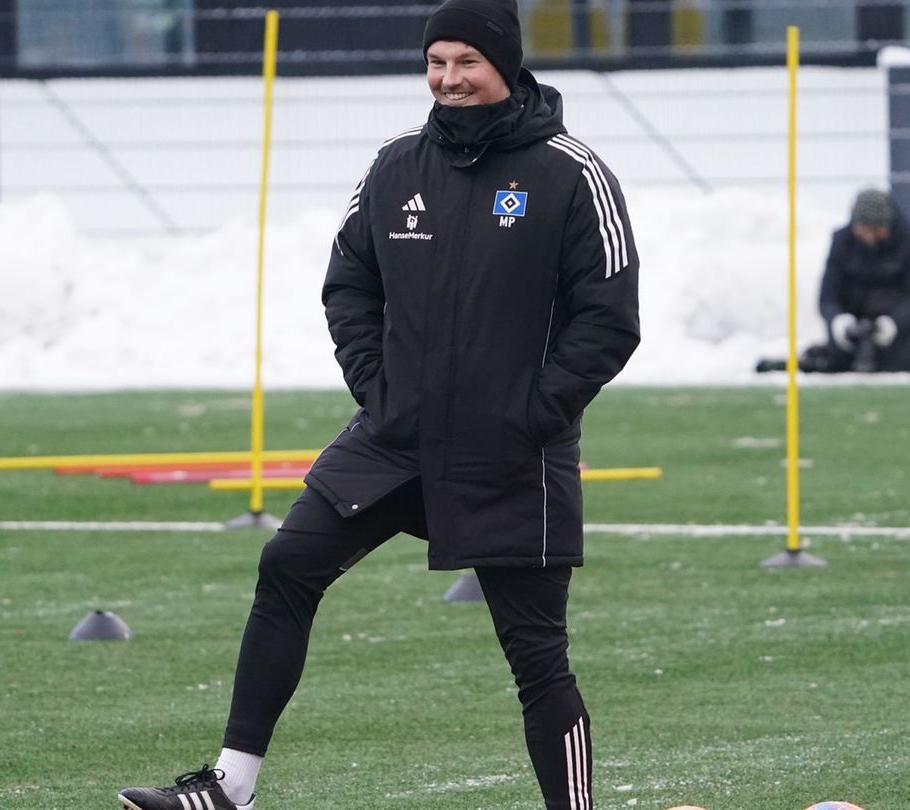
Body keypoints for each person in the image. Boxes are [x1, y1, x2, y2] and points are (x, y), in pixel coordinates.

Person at [117, 1, 639, 808]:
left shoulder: (572, 173)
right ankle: (230, 787)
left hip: (511, 451)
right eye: (436, 62)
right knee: (287, 566)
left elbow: (609, 320)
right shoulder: (396, 166)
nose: (448, 78)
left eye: (466, 61)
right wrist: (377, 385)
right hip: (395, 436)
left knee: (538, 658)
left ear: (505, 64)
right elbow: (348, 285)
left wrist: (534, 411)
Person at [810, 188, 910, 372]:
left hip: (896, 330)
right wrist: (839, 321)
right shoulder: (841, 241)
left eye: (877, 229)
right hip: (851, 325)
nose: (870, 237)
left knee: (898, 362)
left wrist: (893, 324)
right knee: (837, 363)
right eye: (864, 229)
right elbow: (828, 296)